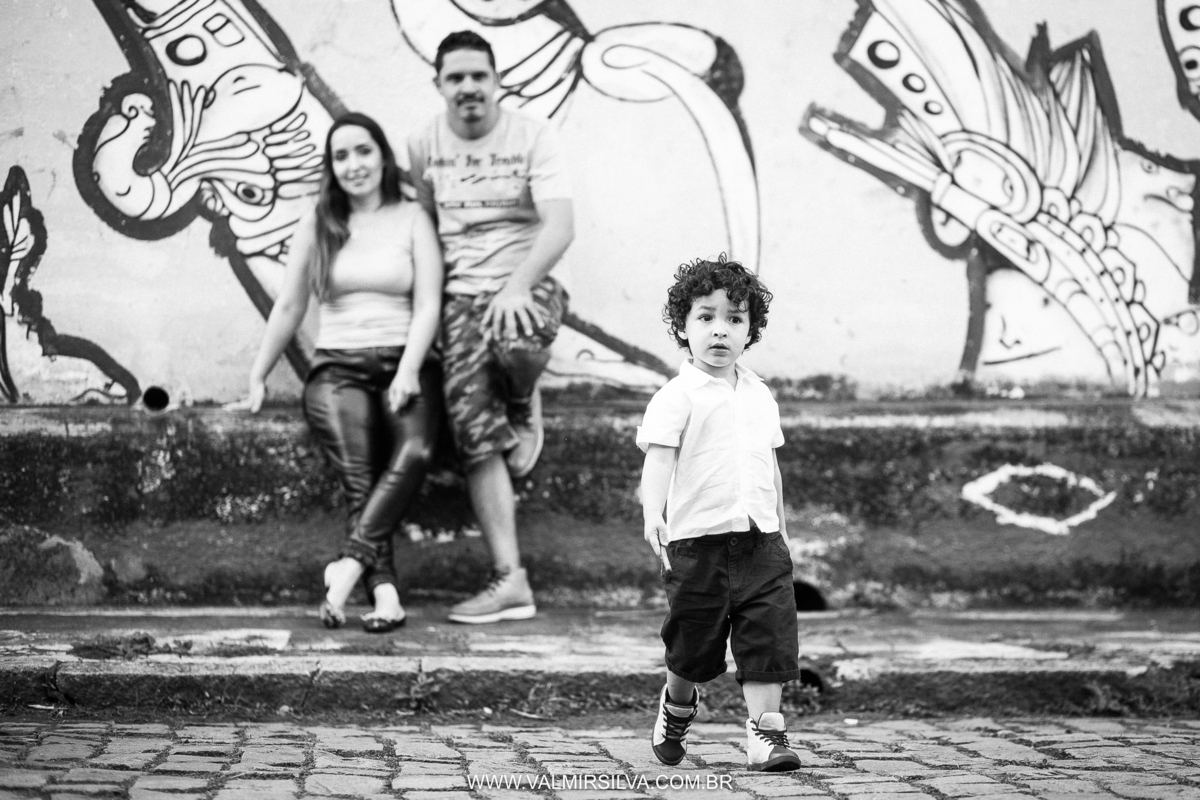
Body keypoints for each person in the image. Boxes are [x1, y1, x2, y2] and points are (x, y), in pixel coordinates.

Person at [229, 112, 444, 633]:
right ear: (331, 167)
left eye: (363, 151)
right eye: (341, 156)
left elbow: (428, 305)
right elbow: (290, 305)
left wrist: (409, 370)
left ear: (383, 156)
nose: (354, 165)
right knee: (360, 476)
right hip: (337, 369)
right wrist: (259, 374)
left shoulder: (413, 217)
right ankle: (386, 595)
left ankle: (348, 566)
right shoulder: (320, 220)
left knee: (416, 451)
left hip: (406, 361)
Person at [407, 30, 575, 624]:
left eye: (479, 75)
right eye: (456, 77)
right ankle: (511, 581)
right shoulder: (423, 143)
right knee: (471, 427)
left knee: (516, 335)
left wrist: (517, 285)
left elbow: (560, 226)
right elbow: (426, 227)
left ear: (496, 80)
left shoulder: (533, 134)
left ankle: (522, 398)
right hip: (461, 296)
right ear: (439, 84)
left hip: (526, 281)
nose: (469, 87)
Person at [637, 256, 803, 772]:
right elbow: (658, 459)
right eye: (705, 317)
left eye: (734, 319)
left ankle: (766, 735)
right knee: (693, 645)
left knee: (768, 635)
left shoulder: (761, 396)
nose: (720, 330)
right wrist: (653, 513)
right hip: (696, 546)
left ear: (750, 331)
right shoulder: (676, 397)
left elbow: (769, 465)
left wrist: (780, 525)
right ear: (682, 327)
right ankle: (677, 705)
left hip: (760, 544)